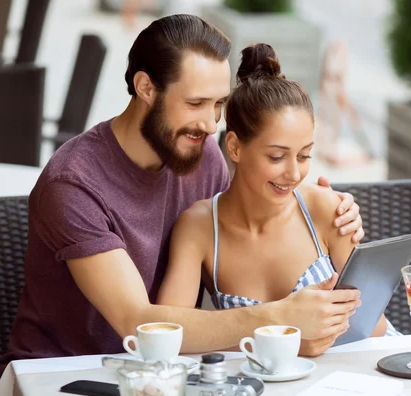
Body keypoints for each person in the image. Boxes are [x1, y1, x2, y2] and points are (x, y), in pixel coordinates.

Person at [0, 15, 365, 379]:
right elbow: (138, 322)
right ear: (145, 88)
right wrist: (279, 319)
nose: (210, 124)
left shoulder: (202, 156)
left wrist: (325, 209)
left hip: (164, 372)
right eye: (195, 103)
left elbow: (233, 239)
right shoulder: (73, 184)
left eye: (218, 104)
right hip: (65, 375)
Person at [158, 44, 394, 356]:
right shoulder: (200, 228)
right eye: (277, 156)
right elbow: (168, 333)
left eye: (305, 155)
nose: (294, 173)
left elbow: (374, 326)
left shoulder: (327, 210)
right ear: (235, 148)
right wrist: (292, 341)